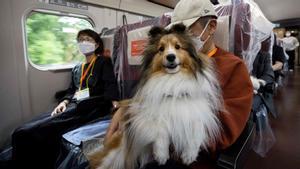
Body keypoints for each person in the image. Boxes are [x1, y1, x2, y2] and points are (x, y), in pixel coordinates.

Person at [104, 0, 253, 168]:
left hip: (189, 159)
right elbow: (154, 101)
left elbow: (223, 134)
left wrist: (144, 129)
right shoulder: (168, 67)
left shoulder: (233, 67)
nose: (179, 39)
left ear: (211, 27)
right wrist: (128, 109)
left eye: (187, 31)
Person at [10, 29, 119, 169]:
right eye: (80, 40)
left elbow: (110, 85)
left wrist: (115, 107)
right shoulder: (77, 68)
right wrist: (63, 102)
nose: (83, 43)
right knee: (22, 130)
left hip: (91, 107)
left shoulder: (103, 62)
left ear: (97, 45)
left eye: (88, 40)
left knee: (25, 133)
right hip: (73, 105)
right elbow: (71, 90)